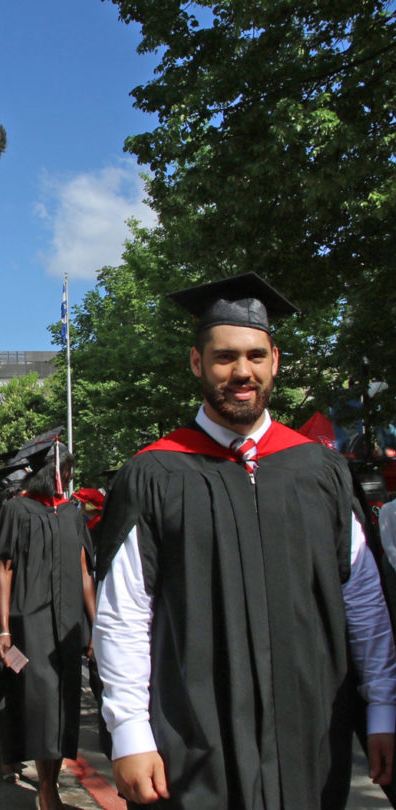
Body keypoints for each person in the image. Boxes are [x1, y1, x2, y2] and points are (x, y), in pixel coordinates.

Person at [93, 273, 396, 810]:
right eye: (224, 357)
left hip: (311, 732)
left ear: (275, 361)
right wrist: (129, 732)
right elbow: (125, 612)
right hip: (195, 733)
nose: (242, 371)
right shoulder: (156, 473)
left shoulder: (319, 470)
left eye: (256, 356)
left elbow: (363, 599)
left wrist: (383, 709)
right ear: (196, 363)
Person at [0, 430, 97, 810]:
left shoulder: (72, 512)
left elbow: (84, 569)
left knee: (65, 707)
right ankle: (46, 788)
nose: (71, 478)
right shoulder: (18, 509)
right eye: (67, 471)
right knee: (44, 705)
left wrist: (97, 627)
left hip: (69, 624)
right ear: (54, 473)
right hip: (31, 622)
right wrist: (5, 627)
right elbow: (5, 567)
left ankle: (50, 782)